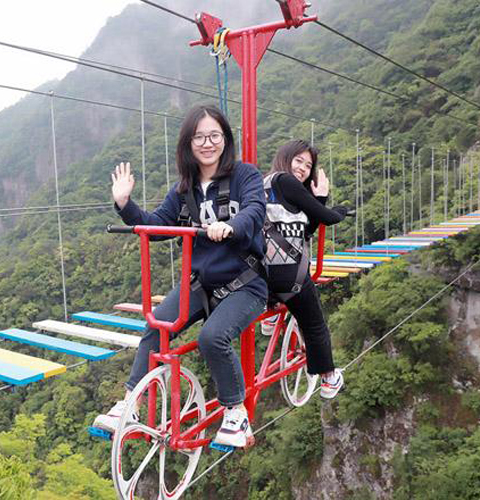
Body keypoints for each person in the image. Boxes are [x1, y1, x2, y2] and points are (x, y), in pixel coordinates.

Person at [93, 104, 267, 448]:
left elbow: (254, 210)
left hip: (245, 282)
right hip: (201, 284)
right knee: (157, 325)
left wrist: (229, 227)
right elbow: (158, 227)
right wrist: (126, 205)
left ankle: (235, 412)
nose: (207, 143)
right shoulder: (183, 189)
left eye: (214, 135)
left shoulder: (244, 176)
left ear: (225, 139)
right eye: (199, 137)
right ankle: (132, 404)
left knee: (212, 338)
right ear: (188, 143)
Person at [262, 139, 348, 398]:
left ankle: (270, 316)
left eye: (308, 165)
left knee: (290, 300)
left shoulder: (267, 184)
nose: (302, 168)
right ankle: (329, 378)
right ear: (285, 158)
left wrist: (318, 198)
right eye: (298, 160)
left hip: (262, 275)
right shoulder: (286, 181)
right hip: (290, 277)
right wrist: (339, 209)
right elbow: (326, 218)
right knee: (314, 325)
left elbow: (304, 229)